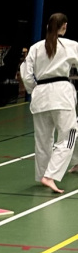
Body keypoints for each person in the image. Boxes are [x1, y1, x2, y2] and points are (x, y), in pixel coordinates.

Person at [21, 13, 78, 194]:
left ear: (48, 26)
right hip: (61, 95)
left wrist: (35, 89)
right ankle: (50, 175)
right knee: (69, 136)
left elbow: (26, 75)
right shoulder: (70, 45)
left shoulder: (36, 47)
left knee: (43, 141)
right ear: (64, 26)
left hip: (40, 96)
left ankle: (43, 175)